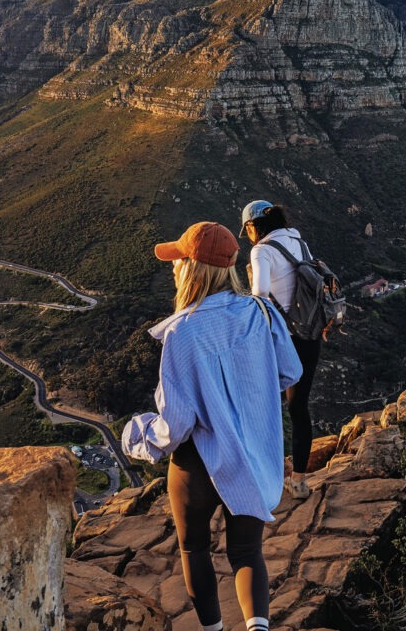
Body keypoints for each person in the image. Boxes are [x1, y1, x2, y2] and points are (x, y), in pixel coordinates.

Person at [122, 220, 302, 631]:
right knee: (246, 551)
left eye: (178, 259)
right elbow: (289, 371)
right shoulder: (261, 311)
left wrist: (139, 437)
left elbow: (176, 424)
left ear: (191, 267)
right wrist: (246, 392)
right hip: (253, 453)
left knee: (195, 550)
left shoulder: (182, 332)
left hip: (195, 465)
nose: (173, 267)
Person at [240, 200, 322, 500]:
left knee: (263, 407)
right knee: (299, 408)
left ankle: (264, 479)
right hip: (310, 334)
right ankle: (299, 482)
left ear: (253, 226)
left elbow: (260, 294)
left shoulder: (261, 250)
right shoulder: (299, 241)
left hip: (281, 340)